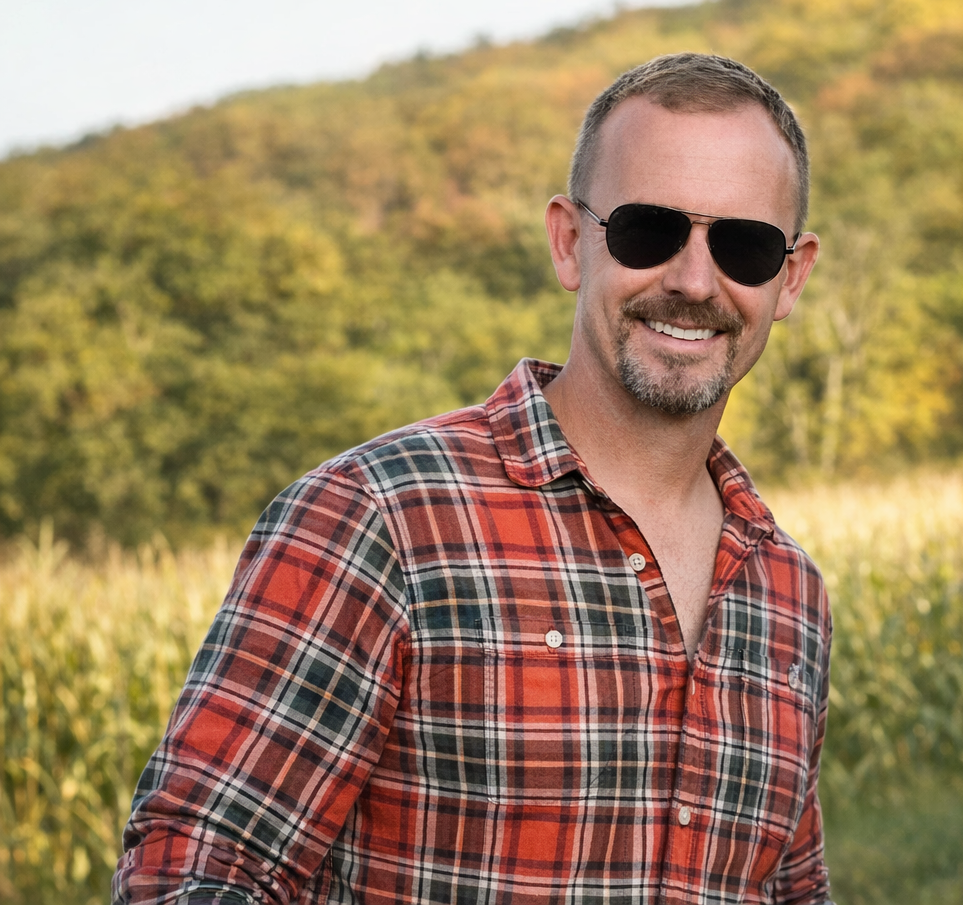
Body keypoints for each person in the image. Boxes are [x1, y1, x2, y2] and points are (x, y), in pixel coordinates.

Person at [113, 52, 830, 905]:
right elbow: (194, 872)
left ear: (789, 279)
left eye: (744, 246)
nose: (692, 280)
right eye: (649, 230)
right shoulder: (377, 521)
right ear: (571, 242)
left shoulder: (789, 595)